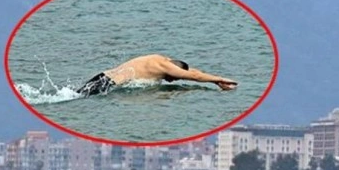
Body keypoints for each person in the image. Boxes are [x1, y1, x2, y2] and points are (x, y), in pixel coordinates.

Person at [76, 54, 238, 96]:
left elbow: (194, 72)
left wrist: (215, 82)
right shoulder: (166, 68)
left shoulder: (161, 60)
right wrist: (220, 79)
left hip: (103, 76)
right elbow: (195, 77)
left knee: (75, 94)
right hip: (109, 85)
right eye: (174, 77)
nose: (171, 80)